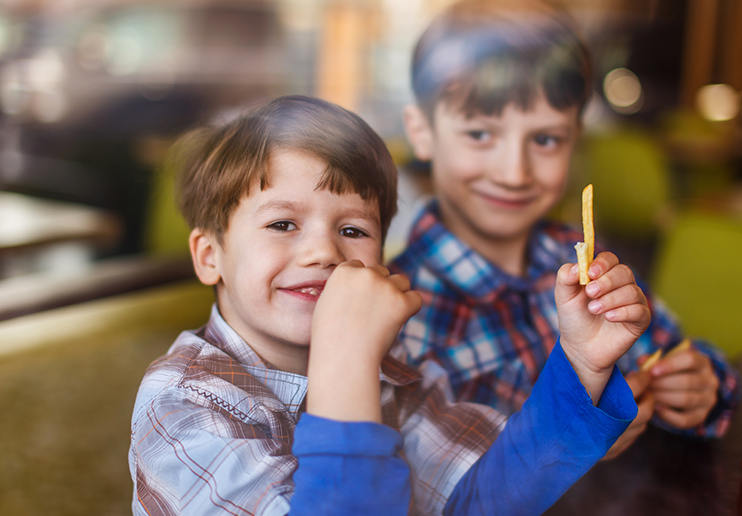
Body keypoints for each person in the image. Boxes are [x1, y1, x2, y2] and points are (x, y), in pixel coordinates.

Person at [129, 95, 647, 515]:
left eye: (353, 230)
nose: (323, 252)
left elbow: (484, 499)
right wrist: (346, 359)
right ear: (209, 255)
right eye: (283, 223)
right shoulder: (183, 401)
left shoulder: (396, 374)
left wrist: (581, 363)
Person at [391, 0, 740, 460]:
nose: (514, 172)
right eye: (479, 134)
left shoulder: (583, 259)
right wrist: (572, 440)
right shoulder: (396, 315)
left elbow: (673, 352)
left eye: (545, 139)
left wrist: (699, 386)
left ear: (575, 138)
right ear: (422, 131)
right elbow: (419, 481)